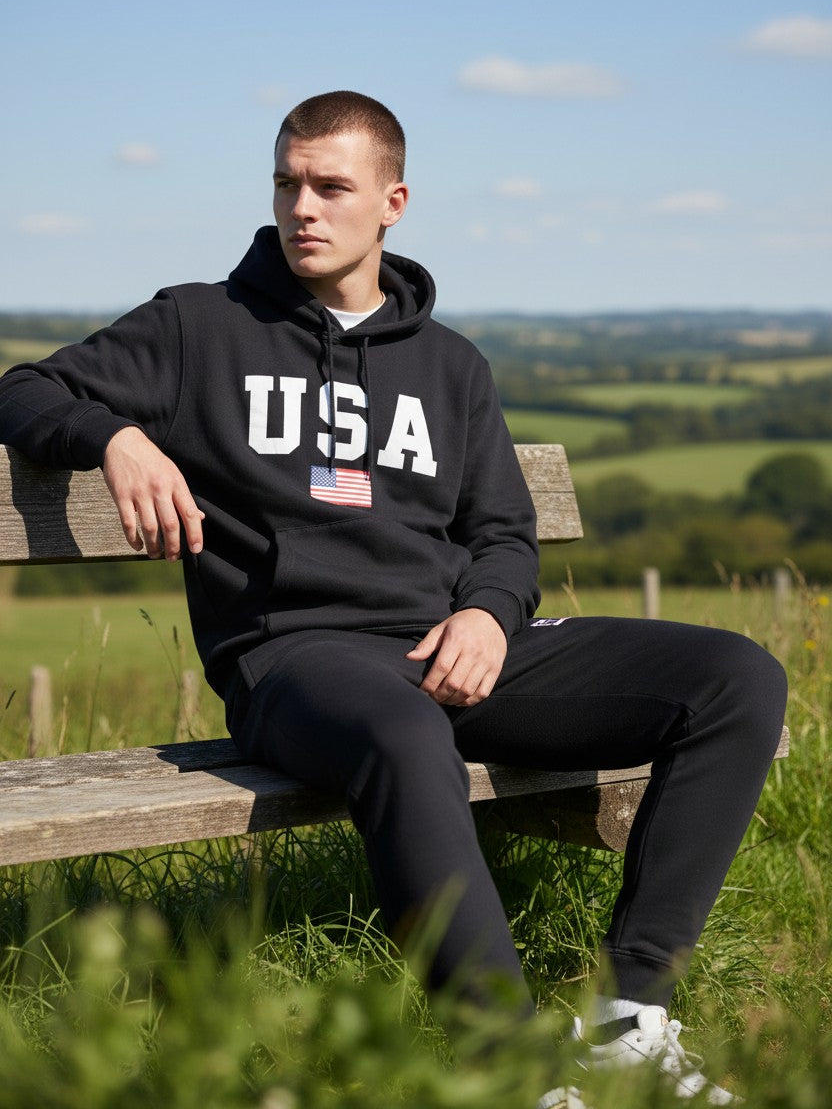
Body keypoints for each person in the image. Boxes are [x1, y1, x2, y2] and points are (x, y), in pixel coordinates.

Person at [0, 91, 787, 1107]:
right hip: (297, 661)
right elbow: (22, 388)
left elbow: (501, 534)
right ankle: (507, 1069)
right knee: (405, 728)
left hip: (448, 646)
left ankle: (628, 1022)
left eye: (331, 187)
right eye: (287, 183)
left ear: (393, 202)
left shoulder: (449, 364)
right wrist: (116, 437)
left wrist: (485, 616)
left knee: (735, 677)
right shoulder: (199, 325)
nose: (303, 208)